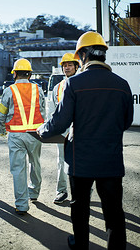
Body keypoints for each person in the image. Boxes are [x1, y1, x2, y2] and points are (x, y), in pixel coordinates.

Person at [37, 32, 134, 249]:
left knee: (79, 206)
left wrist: (42, 130)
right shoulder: (122, 85)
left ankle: (80, 244)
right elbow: (127, 121)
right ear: (103, 55)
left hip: (81, 160)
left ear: (82, 56)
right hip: (110, 160)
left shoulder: (74, 84)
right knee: (113, 210)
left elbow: (60, 122)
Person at [0, 58, 46, 215]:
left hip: (16, 135)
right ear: (29, 74)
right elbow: (44, 112)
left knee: (18, 169)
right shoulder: (38, 89)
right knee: (35, 163)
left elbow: (1, 114)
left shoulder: (9, 90)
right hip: (36, 134)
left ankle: (22, 205)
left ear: (15, 74)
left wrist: (2, 130)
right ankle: (34, 193)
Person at [49, 53, 79, 204]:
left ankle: (82, 193)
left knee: (81, 161)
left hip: (80, 131)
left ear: (76, 67)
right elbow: (53, 111)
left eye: (70, 65)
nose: (67, 68)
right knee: (61, 162)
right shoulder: (57, 88)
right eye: (65, 66)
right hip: (62, 132)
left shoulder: (82, 83)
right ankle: (61, 191)